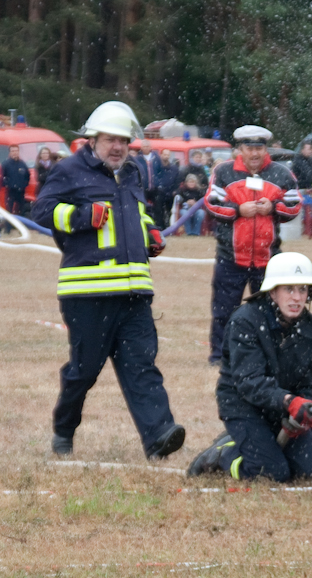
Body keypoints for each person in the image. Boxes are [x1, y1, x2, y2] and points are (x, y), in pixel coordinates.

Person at [32, 101, 185, 458]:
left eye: (124, 141)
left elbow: (138, 213)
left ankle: (159, 436)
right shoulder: (69, 170)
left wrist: (151, 233)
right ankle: (64, 430)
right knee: (84, 371)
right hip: (87, 293)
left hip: (134, 292)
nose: (118, 147)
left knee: (142, 366)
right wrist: (83, 216)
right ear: (93, 139)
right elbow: (41, 209)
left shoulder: (132, 172)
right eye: (110, 140)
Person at [187, 252, 312, 482]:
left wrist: (306, 410)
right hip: (243, 405)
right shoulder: (246, 321)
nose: (296, 298)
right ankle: (223, 455)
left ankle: (264, 447)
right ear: (272, 292)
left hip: (284, 408)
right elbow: (249, 383)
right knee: (271, 474)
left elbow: (307, 385)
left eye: (302, 289)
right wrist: (289, 402)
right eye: (289, 289)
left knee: (308, 475)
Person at [204, 125, 301, 366]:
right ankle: (221, 356)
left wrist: (274, 207)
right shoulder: (224, 172)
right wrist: (238, 210)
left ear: (266, 148)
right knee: (224, 310)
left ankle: (268, 355)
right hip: (231, 256)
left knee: (270, 312)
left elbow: (294, 205)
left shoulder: (281, 173)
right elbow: (212, 204)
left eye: (259, 147)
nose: (255, 153)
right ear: (240, 149)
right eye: (249, 148)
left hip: (268, 258)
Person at [2, 144, 31, 233]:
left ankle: (20, 230)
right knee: (8, 211)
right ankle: (8, 230)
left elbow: (27, 176)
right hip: (10, 191)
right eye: (13, 151)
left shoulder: (22, 164)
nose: (15, 153)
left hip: (21, 191)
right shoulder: (6, 164)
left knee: (21, 210)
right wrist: (7, 184)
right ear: (10, 153)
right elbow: (2, 176)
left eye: (16, 151)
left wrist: (24, 185)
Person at [135, 139, 165, 227]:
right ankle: (144, 226)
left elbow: (160, 171)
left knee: (158, 208)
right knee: (143, 208)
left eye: (147, 146)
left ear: (150, 147)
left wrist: (159, 183)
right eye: (144, 146)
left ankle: (159, 226)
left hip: (155, 188)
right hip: (143, 188)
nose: (146, 148)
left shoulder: (156, 158)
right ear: (141, 147)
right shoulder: (138, 159)